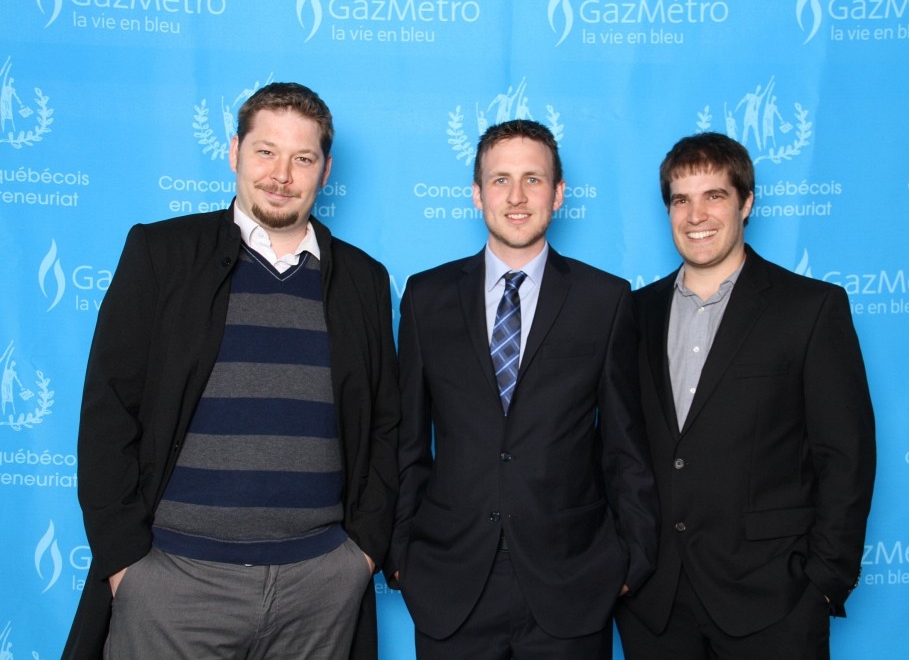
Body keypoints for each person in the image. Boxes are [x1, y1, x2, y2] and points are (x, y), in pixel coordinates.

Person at [62, 82, 399, 660]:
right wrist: (125, 565)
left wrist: (360, 556)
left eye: (302, 158)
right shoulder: (161, 254)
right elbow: (107, 411)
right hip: (174, 582)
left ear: (325, 169)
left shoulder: (364, 280)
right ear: (234, 152)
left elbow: (389, 426)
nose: (281, 174)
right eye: (265, 151)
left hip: (318, 586)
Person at [387, 119, 659, 660]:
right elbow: (408, 442)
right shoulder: (426, 297)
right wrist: (402, 552)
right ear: (477, 193)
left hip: (572, 580)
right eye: (500, 179)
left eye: (533, 179)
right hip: (451, 580)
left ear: (557, 194)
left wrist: (633, 558)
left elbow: (626, 447)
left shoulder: (604, 300)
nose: (516, 196)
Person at [616, 131, 876, 659]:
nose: (697, 216)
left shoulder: (810, 309)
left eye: (715, 196)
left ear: (746, 203)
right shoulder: (633, 313)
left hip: (773, 599)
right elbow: (616, 449)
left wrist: (824, 582)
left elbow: (846, 456)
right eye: (681, 200)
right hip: (656, 602)